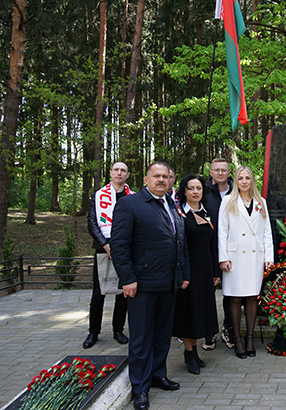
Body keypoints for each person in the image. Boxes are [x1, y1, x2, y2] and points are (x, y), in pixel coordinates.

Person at [111, 161, 191, 410]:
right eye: (156, 176)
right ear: (146, 179)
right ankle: (141, 387)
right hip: (142, 285)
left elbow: (181, 242)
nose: (161, 180)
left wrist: (184, 272)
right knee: (141, 339)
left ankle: (158, 375)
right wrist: (127, 279)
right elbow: (119, 245)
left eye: (166, 176)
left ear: (170, 181)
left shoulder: (172, 204)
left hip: (169, 284)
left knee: (161, 336)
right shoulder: (129, 204)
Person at [218, 166, 274, 359]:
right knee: (234, 298)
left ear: (252, 181)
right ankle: (237, 339)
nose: (243, 181)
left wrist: (269, 258)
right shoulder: (228, 201)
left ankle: (250, 338)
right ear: (236, 180)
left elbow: (266, 231)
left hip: (255, 257)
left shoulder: (261, 202)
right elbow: (222, 231)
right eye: (240, 178)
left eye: (247, 178)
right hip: (235, 258)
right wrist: (223, 257)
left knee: (251, 297)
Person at [172, 174, 220, 374]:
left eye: (198, 188)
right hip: (187, 273)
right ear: (184, 191)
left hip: (205, 270)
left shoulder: (207, 213)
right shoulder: (178, 214)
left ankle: (195, 353)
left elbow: (213, 243)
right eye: (191, 188)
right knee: (188, 314)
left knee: (201, 312)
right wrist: (183, 272)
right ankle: (189, 353)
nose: (195, 192)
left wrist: (215, 271)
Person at [83, 162, 133, 349]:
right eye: (116, 170)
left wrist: (120, 247)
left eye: (123, 171)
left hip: (126, 249)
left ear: (127, 175)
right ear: (111, 173)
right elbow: (92, 223)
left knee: (123, 292)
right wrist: (106, 245)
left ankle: (118, 330)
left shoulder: (133, 197)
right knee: (99, 293)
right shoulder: (98, 196)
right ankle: (93, 332)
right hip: (102, 249)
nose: (119, 173)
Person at [204, 158, 234, 350]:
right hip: (207, 248)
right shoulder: (203, 191)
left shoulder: (237, 192)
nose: (221, 173)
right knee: (207, 292)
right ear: (211, 172)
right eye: (217, 170)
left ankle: (229, 329)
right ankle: (208, 332)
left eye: (224, 170)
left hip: (232, 249)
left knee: (230, 293)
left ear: (229, 173)